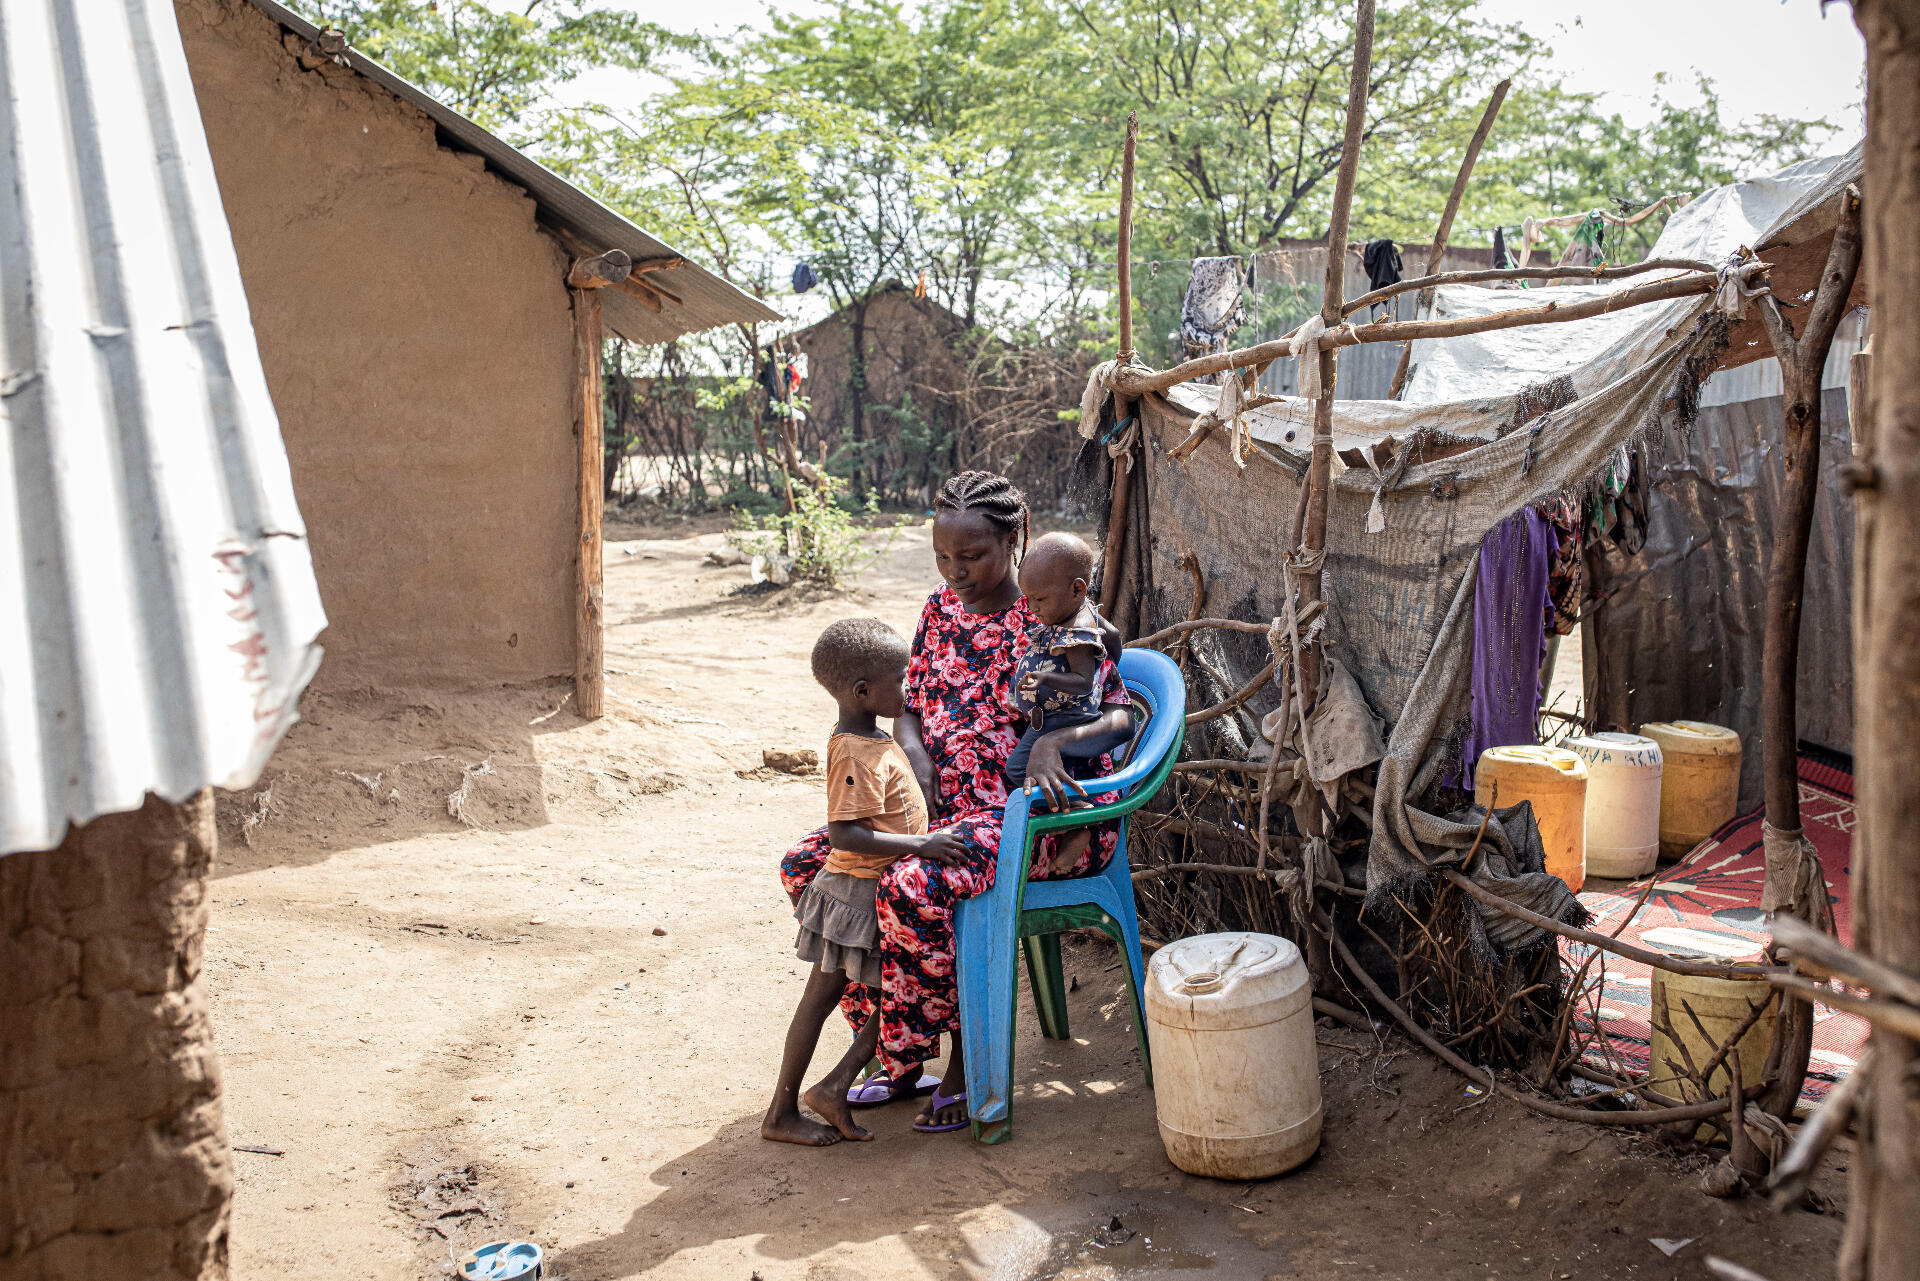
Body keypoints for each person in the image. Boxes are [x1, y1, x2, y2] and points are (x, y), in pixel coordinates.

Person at [780, 471, 1133, 1133]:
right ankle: (900, 1055)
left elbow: (1119, 718)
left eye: (972, 555)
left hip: (1039, 817)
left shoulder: (1049, 606)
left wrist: (1059, 746)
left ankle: (966, 1060)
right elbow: (909, 705)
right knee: (811, 864)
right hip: (937, 814)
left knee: (912, 885)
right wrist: (912, 749)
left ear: (1014, 538)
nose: (956, 570)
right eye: (944, 556)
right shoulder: (940, 608)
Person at [761, 618, 966, 1146]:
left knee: (893, 993)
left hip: (868, 892)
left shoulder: (874, 735)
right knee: (885, 993)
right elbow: (846, 833)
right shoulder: (854, 750)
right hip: (857, 898)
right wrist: (921, 845)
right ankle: (791, 1108)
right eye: (900, 679)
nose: (909, 688)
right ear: (862, 691)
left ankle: (820, 1092)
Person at [1004, 531, 1132, 792]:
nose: (1032, 608)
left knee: (1017, 769)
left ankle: (1076, 808)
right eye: (1028, 599)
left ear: (1077, 589)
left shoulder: (1077, 635)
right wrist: (1106, 664)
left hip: (1065, 717)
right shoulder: (1074, 612)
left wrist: (1048, 678)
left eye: (1039, 599)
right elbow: (1114, 635)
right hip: (1055, 715)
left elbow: (1084, 683)